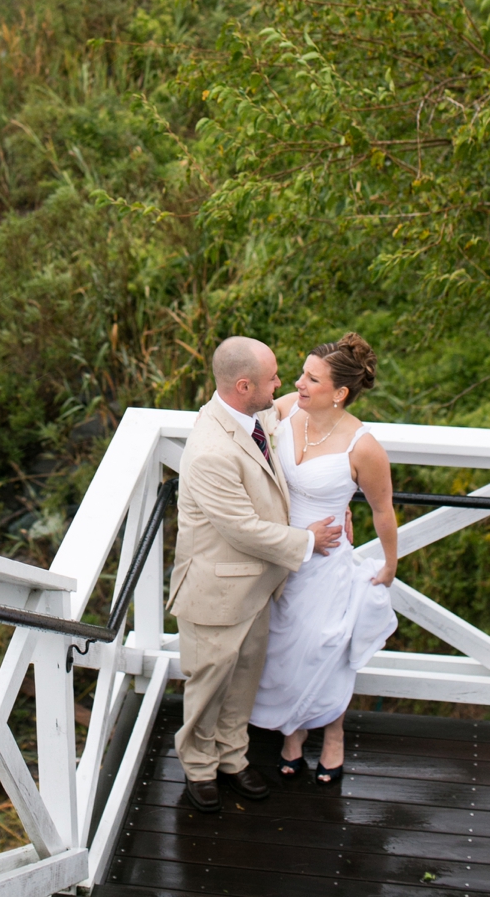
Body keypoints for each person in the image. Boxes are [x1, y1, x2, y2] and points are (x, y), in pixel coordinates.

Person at [168, 336, 343, 811]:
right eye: (272, 378)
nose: (281, 382)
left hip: (257, 585)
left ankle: (233, 758)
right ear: (243, 385)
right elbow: (242, 529)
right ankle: (198, 769)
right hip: (216, 590)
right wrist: (309, 540)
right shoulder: (209, 450)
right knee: (208, 686)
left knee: (243, 679)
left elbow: (285, 409)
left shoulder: (251, 416)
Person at [250, 332, 398, 783]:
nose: (298, 383)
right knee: (281, 651)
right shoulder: (285, 410)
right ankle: (293, 733)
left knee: (325, 649)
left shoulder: (363, 445)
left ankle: (333, 734)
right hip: (281, 556)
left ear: (340, 393)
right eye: (301, 374)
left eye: (312, 378)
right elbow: (234, 425)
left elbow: (382, 510)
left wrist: (390, 564)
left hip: (327, 563)